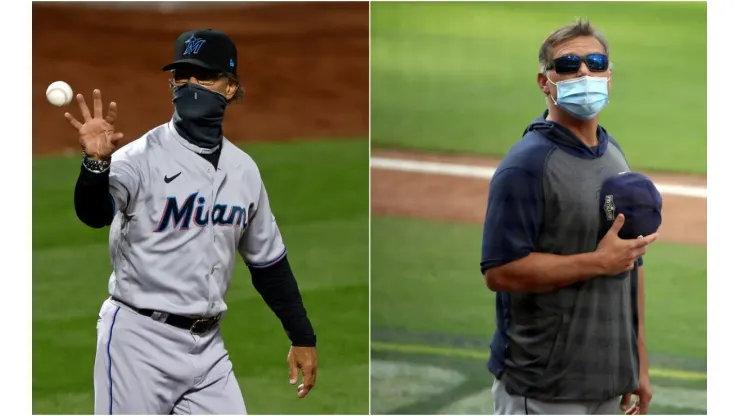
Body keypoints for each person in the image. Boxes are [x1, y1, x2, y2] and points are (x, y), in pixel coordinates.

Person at [64, 29, 318, 414]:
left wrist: (302, 335)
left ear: (230, 88)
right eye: (182, 77)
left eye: (203, 77)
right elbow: (93, 213)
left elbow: (269, 264)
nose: (190, 86)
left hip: (208, 349)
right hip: (138, 342)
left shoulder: (244, 171)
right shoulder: (139, 158)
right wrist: (96, 165)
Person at [480, 19, 657, 415]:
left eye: (595, 63)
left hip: (608, 383)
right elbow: (500, 272)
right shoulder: (525, 167)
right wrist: (598, 262)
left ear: (609, 75)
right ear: (545, 82)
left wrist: (638, 365)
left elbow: (632, 262)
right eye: (568, 65)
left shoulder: (615, 157)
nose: (584, 72)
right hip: (544, 387)